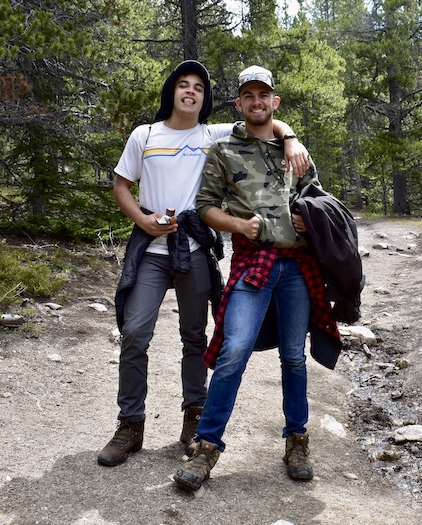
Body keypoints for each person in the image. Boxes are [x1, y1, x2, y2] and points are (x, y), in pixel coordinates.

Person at [98, 60, 309, 467]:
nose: (190, 91)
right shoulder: (145, 135)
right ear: (172, 92)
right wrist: (141, 219)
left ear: (206, 98)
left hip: (194, 249)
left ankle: (194, 419)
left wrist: (292, 137)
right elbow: (121, 185)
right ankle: (130, 425)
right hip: (152, 251)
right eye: (183, 85)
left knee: (194, 337)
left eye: (198, 86)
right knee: (135, 333)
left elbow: (264, 119)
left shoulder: (213, 134)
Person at [172, 65, 342, 491]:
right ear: (240, 104)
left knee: (293, 357)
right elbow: (205, 206)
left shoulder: (295, 151)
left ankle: (297, 440)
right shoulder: (224, 149)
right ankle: (206, 447)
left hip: (298, 268)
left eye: (263, 95)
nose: (257, 102)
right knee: (234, 350)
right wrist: (236, 225)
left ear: (274, 102)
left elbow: (316, 196)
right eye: (248, 96)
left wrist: (307, 216)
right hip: (254, 264)